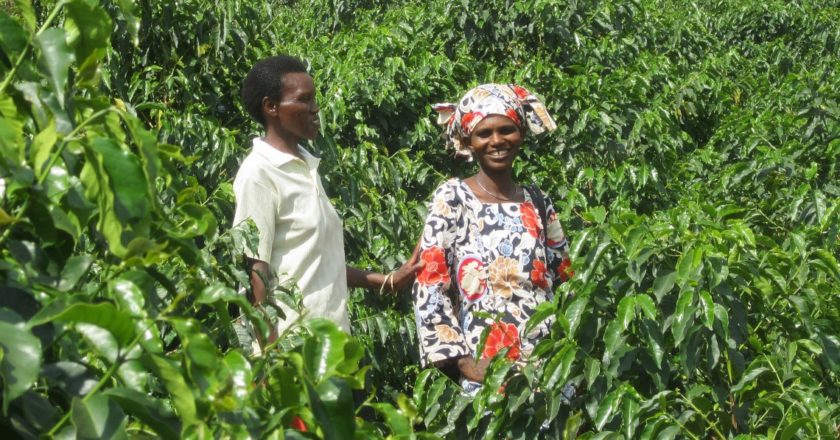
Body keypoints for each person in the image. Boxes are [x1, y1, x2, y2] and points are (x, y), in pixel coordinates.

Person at [233, 55, 420, 343]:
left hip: (332, 346)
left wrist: (387, 281)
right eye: (304, 100)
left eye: (314, 99)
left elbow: (319, 263)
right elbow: (258, 272)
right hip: (295, 350)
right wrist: (271, 364)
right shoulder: (258, 173)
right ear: (271, 107)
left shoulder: (307, 166)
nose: (315, 108)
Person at [413, 84, 573, 392]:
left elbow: (565, 281)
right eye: (484, 134)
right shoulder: (453, 198)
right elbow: (430, 285)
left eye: (506, 130)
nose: (497, 141)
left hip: (549, 370)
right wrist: (463, 362)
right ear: (468, 142)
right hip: (486, 373)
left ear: (521, 134)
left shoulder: (538, 201)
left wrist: (569, 359)